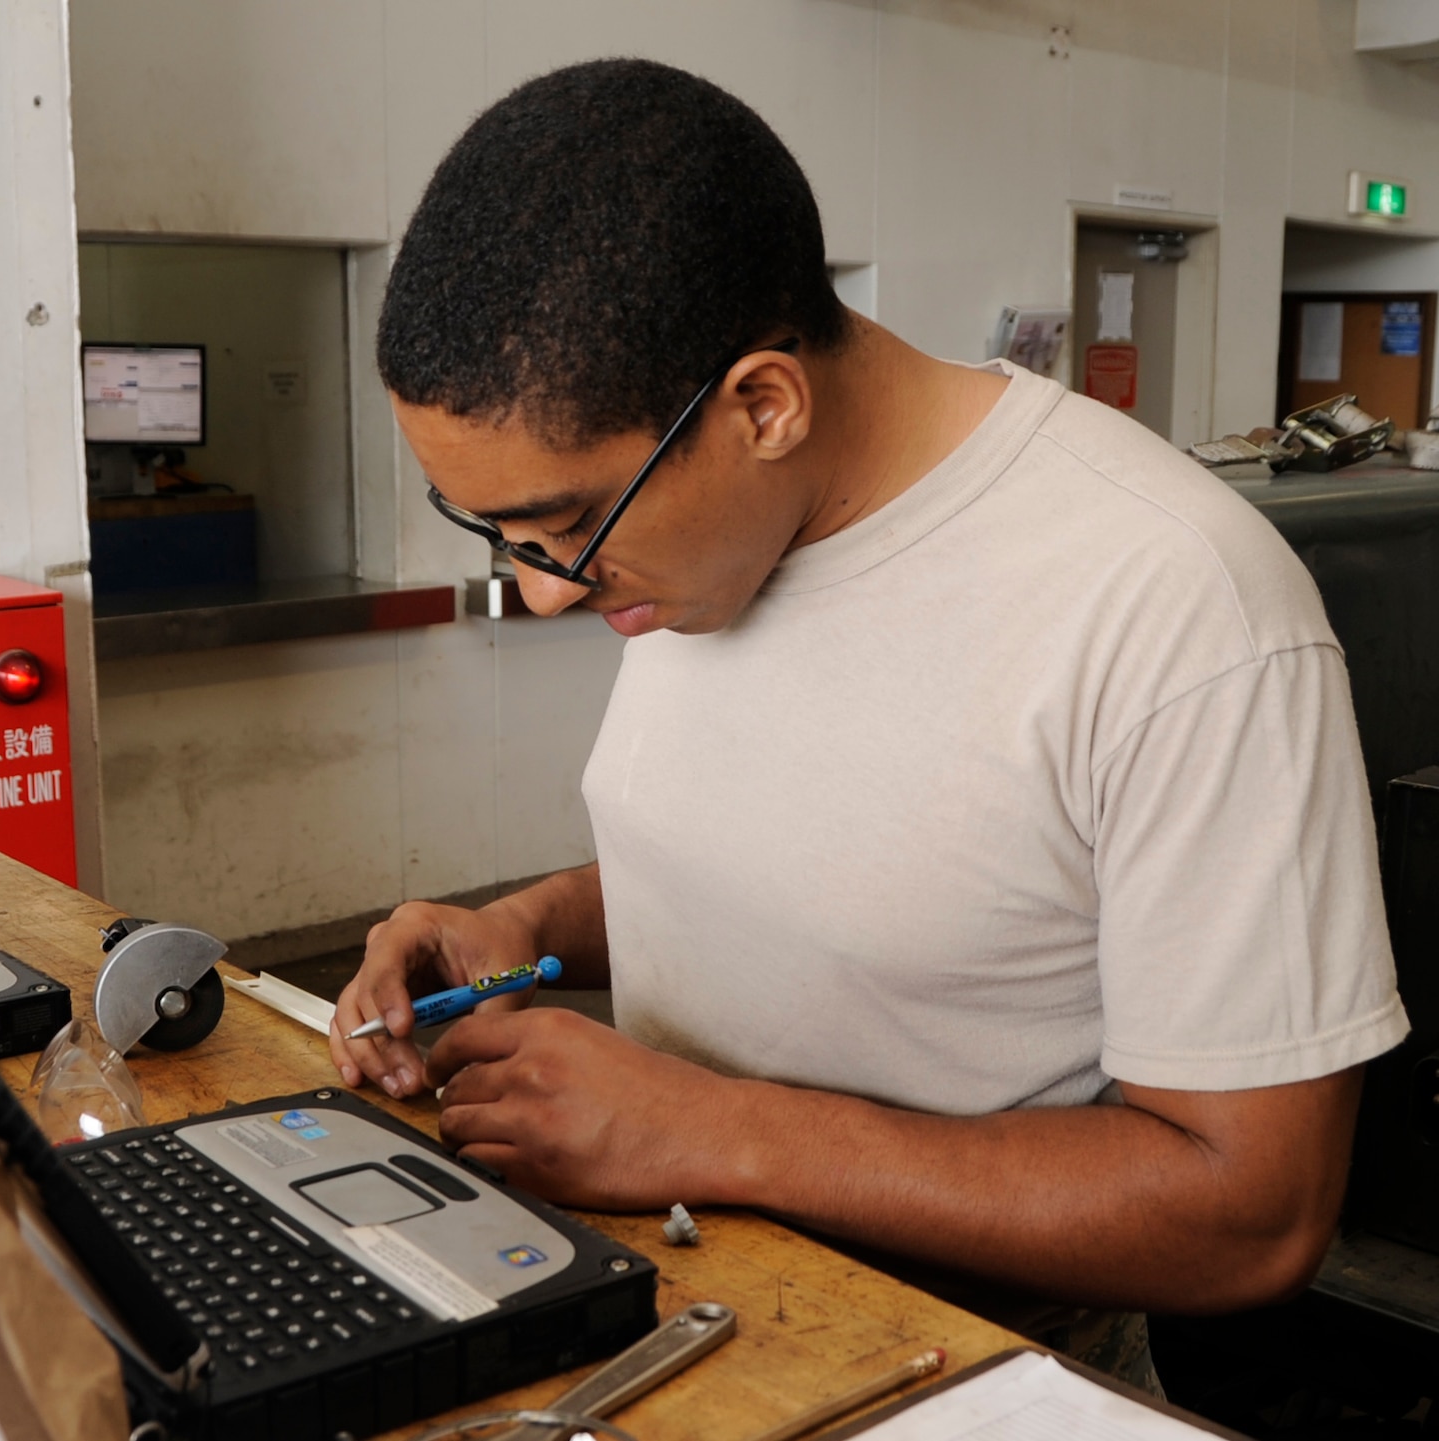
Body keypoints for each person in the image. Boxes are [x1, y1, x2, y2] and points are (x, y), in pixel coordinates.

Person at [327, 59, 1408, 1388]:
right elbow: (852, 871)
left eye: (569, 527)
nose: (548, 588)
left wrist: (717, 1131)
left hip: (956, 1376)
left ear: (761, 406)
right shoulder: (698, 544)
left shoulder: (1181, 604)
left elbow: (1254, 1212)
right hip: (663, 1315)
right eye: (502, 534)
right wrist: (530, 927)